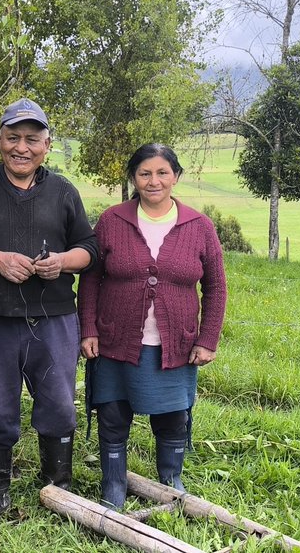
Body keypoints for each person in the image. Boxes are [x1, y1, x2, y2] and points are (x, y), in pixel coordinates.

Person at [0, 98, 98, 525]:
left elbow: (90, 248)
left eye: (32, 139)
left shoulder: (64, 191)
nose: (22, 147)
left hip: (55, 321)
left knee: (59, 406)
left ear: (47, 145)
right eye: (13, 137)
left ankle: (58, 487)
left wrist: (62, 262)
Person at [78, 143, 226, 509]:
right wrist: (89, 330)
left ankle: (170, 480)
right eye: (145, 173)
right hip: (115, 340)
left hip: (174, 343)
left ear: (176, 177)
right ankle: (113, 484)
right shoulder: (113, 220)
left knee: (173, 415)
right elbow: (91, 280)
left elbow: (216, 286)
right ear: (134, 178)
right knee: (113, 413)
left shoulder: (199, 226)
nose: (154, 180)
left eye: (162, 173)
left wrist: (207, 339)